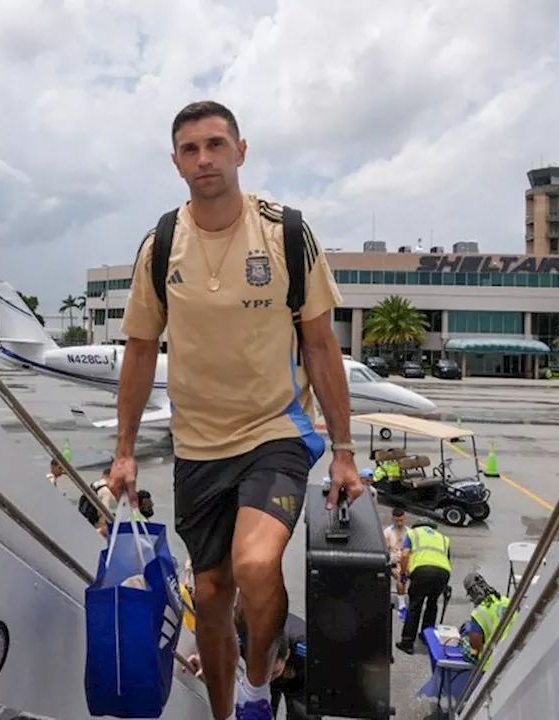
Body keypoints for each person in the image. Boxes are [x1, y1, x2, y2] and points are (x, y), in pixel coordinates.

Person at [107, 99, 365, 720]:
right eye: (191, 150)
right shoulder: (161, 245)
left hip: (276, 428)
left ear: (241, 150)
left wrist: (346, 453)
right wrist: (122, 452)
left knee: (254, 563)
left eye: (216, 145)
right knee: (212, 592)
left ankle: (256, 690)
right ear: (176, 163)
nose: (205, 160)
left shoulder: (285, 233)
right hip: (197, 444)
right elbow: (140, 352)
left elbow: (321, 345)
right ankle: (225, 712)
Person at [395, 519, 452, 655]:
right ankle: (427, 637)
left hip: (422, 571)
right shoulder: (443, 538)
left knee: (415, 604)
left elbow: (404, 554)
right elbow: (446, 560)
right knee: (432, 604)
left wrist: (403, 573)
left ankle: (407, 642)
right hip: (443, 573)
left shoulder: (413, 533)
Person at [458, 571, 514, 671]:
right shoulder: (506, 601)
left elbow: (475, 644)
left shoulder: (479, 612)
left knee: (466, 643)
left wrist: (469, 647)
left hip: (491, 661)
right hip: (513, 654)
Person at [382, 508, 415, 618]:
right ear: (392, 519)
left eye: (401, 520)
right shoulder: (388, 532)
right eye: (397, 521)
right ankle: (402, 605)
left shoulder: (410, 532)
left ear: (404, 518)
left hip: (407, 560)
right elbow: (384, 550)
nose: (399, 523)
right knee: (401, 576)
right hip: (394, 560)